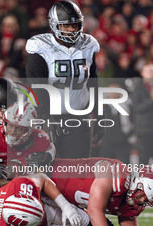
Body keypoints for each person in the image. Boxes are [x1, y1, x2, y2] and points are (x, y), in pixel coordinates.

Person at [25, 0, 101, 158]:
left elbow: (93, 82)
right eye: (66, 25)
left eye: (75, 25)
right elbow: (37, 88)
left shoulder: (88, 45)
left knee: (78, 172)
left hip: (80, 118)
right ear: (54, 25)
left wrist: (100, 114)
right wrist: (46, 119)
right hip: (50, 117)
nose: (71, 30)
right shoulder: (41, 48)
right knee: (49, 171)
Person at [50, 158, 153, 226]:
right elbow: (94, 210)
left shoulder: (133, 202)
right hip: (50, 177)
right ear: (135, 182)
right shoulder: (115, 174)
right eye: (141, 195)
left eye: (146, 201)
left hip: (62, 204)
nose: (142, 201)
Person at [0, 101, 56, 189]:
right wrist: (17, 185)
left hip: (25, 185)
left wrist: (47, 156)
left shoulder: (39, 138)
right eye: (10, 125)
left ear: (29, 130)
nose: (13, 131)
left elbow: (50, 147)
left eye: (18, 128)